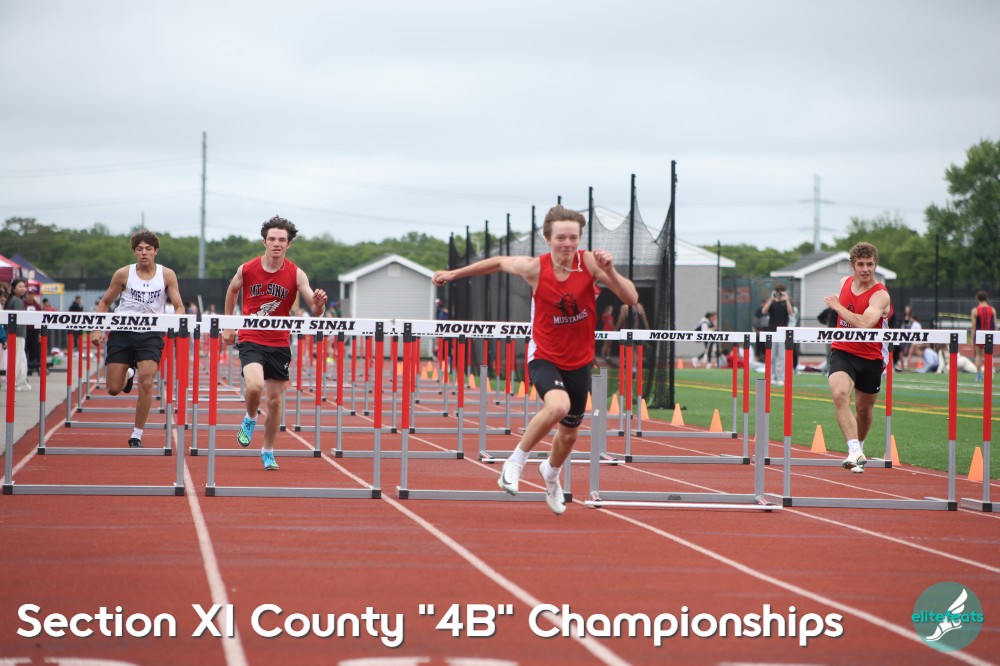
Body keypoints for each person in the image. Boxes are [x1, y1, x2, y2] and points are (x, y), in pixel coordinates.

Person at [432, 205, 638, 514]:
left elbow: (631, 298)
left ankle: (551, 475)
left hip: (579, 360)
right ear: (548, 239)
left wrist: (610, 271)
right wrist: (454, 274)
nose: (567, 244)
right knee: (557, 406)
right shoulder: (535, 268)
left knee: (569, 434)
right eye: (561, 238)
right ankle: (515, 462)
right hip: (545, 355)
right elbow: (499, 262)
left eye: (573, 238)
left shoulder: (590, 263)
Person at [221, 216, 328, 471]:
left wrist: (320, 303)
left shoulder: (296, 273)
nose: (276, 244)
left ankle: (268, 450)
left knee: (275, 401)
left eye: (281, 240)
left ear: (289, 244)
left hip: (279, 342)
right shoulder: (247, 269)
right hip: (251, 338)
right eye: (272, 239)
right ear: (264, 242)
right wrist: (228, 324)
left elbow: (314, 310)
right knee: (255, 385)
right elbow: (232, 290)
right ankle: (250, 417)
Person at [92, 231, 185, 448]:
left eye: (148, 249)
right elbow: (104, 303)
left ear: (155, 251)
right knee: (113, 388)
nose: (144, 253)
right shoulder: (123, 274)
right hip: (122, 332)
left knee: (147, 381)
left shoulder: (166, 274)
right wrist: (97, 329)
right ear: (134, 252)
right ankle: (129, 373)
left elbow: (179, 305)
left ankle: (137, 434)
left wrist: (175, 320)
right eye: (140, 249)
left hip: (151, 334)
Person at [822, 242, 892, 474]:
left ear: (876, 265)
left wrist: (836, 306)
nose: (865, 269)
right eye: (860, 264)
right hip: (843, 350)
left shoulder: (880, 295)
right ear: (852, 265)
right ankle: (853, 450)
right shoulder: (845, 283)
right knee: (839, 394)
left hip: (870, 357)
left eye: (869, 264)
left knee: (864, 410)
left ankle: (859, 447)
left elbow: (864, 323)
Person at [762, 283, 793, 385]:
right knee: (771, 357)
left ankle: (781, 378)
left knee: (782, 357)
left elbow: (791, 313)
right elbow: (764, 311)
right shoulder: (772, 303)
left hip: (783, 333)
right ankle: (772, 377)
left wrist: (787, 300)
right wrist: (771, 298)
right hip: (772, 332)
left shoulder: (786, 302)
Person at [5, 279, 31, 391]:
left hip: (17, 334)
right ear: (13, 288)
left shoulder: (15, 300)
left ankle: (20, 381)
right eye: (20, 286)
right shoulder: (16, 301)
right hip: (17, 334)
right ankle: (13, 382)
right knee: (17, 359)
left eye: (24, 287)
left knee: (21, 358)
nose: (23, 289)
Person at [971, 290, 996, 382]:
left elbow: (973, 326)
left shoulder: (975, 310)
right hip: (990, 335)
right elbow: (995, 324)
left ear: (977, 298)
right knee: (989, 355)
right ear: (986, 298)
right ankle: (989, 373)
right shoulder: (992, 310)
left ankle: (979, 375)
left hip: (979, 335)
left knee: (978, 355)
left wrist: (972, 338)